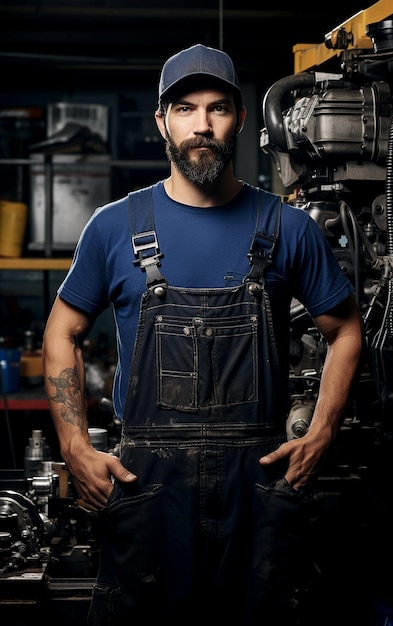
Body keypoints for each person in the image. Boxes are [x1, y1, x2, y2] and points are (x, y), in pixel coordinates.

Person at [42, 43, 363, 625]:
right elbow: (62, 329)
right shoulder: (115, 227)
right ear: (163, 120)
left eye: (218, 108)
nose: (203, 125)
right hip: (148, 490)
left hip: (259, 491)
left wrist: (321, 434)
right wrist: (74, 446)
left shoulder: (287, 228)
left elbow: (345, 330)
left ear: (240, 120)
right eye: (186, 109)